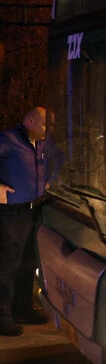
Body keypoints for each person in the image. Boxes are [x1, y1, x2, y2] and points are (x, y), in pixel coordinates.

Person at [0, 107, 50, 336]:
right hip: (12, 213)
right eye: (44, 124)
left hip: (33, 210)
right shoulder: (8, 140)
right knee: (8, 265)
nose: (47, 130)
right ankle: (2, 316)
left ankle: (22, 308)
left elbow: (54, 161)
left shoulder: (39, 144)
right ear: (30, 121)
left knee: (28, 262)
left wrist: (48, 181)